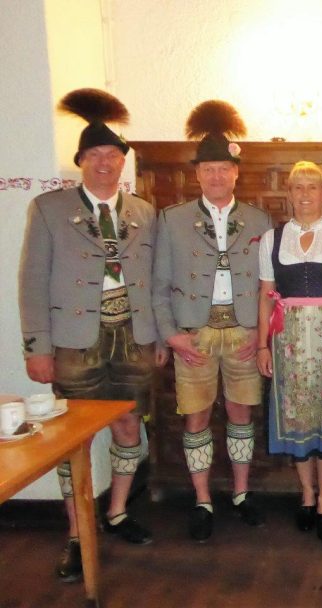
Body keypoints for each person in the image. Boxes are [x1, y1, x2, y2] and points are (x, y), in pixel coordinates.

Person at [18, 89, 164, 582]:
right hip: (74, 342)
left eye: (113, 155)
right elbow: (31, 281)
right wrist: (37, 347)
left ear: (124, 161)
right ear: (81, 161)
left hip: (134, 337)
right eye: (95, 155)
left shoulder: (144, 211)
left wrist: (157, 337)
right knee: (74, 440)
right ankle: (78, 533)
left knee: (128, 427)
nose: (105, 163)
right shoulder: (49, 208)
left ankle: (117, 511)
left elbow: (155, 281)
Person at [152, 100, 271, 541]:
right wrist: (171, 335)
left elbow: (270, 286)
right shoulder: (173, 219)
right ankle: (202, 499)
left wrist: (261, 331)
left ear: (236, 172)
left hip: (243, 332)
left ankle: (241, 493)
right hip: (194, 336)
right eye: (208, 169)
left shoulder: (259, 219)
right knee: (196, 417)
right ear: (197, 175)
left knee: (241, 414)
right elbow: (158, 284)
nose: (216, 176)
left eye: (224, 168)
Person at [256, 161, 322, 541]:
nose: (304, 194)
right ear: (289, 193)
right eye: (298, 187)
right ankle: (306, 493)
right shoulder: (272, 238)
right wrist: (263, 345)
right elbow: (265, 297)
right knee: (298, 418)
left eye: (312, 187)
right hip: (289, 342)